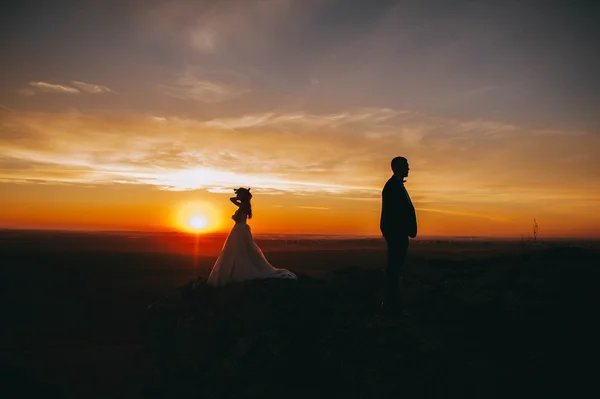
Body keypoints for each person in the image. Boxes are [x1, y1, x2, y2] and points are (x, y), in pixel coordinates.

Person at [207, 187, 297, 286]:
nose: (237, 196)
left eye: (239, 195)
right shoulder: (244, 205)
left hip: (239, 230)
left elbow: (237, 218)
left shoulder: (243, 206)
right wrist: (240, 197)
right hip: (239, 230)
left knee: (238, 250)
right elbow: (231, 199)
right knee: (239, 250)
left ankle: (237, 271)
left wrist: (240, 200)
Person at [379, 156, 417, 311]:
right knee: (394, 268)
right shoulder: (392, 186)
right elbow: (394, 213)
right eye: (406, 166)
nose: (409, 168)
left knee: (396, 268)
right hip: (396, 234)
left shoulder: (395, 185)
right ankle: (391, 305)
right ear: (397, 168)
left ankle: (392, 304)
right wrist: (399, 231)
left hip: (398, 233)